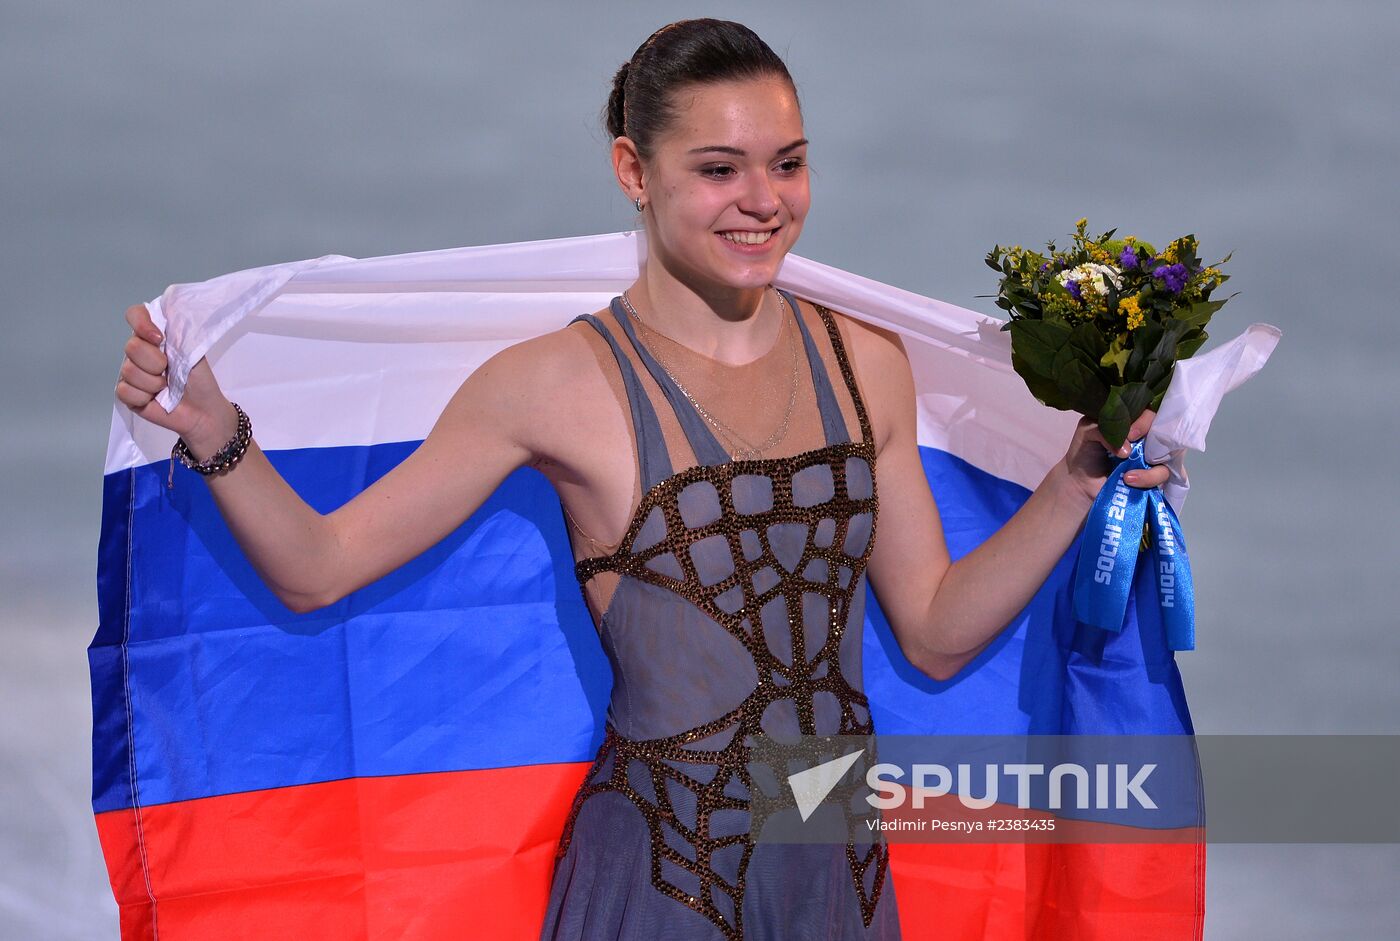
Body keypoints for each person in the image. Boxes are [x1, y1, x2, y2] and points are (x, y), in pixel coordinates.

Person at [113, 18, 1172, 941]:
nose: (762, 201)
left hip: (831, 861)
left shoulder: (867, 366)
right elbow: (318, 568)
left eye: (787, 163)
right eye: (718, 169)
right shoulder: (549, 386)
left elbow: (936, 630)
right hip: (662, 876)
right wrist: (214, 430)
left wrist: (1076, 479)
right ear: (634, 170)